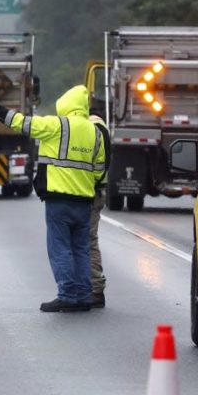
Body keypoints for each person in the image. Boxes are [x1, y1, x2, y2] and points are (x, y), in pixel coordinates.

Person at [0, 85, 106, 312]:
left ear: (65, 104)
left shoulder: (57, 125)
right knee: (81, 248)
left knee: (61, 248)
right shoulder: (94, 131)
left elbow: (20, 122)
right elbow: (99, 169)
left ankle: (67, 295)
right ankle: (84, 295)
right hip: (85, 200)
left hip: (60, 199)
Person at [88, 113, 111, 308]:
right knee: (88, 240)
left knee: (88, 241)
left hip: (91, 193)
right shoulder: (102, 128)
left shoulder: (93, 128)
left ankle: (95, 289)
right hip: (96, 191)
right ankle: (92, 288)